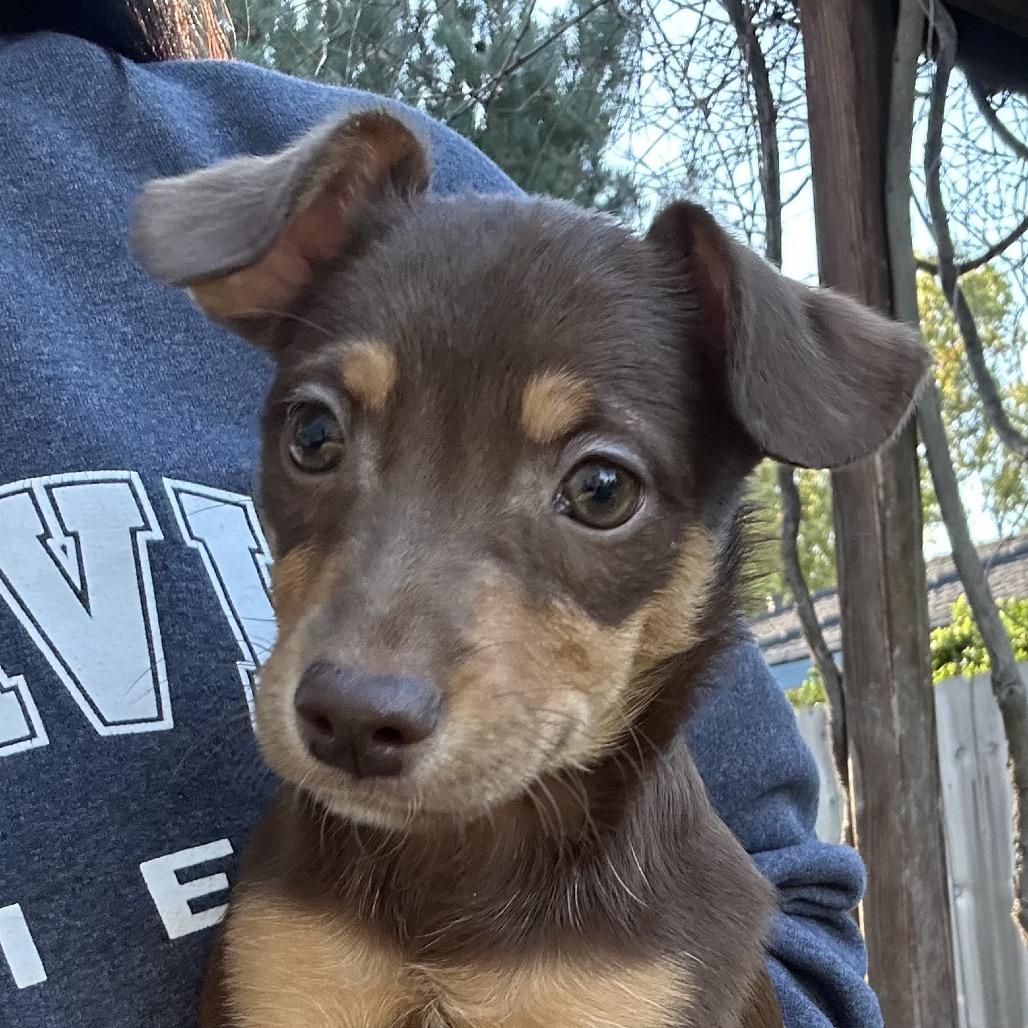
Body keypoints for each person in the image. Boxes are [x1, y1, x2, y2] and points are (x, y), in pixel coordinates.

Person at [0, 3, 881, 1025]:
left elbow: (802, 917)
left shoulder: (678, 935)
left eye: (596, 490)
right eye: (319, 441)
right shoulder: (289, 904)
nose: (371, 676)